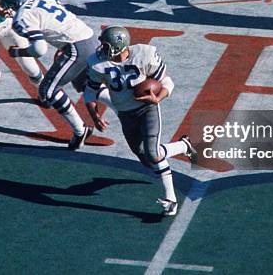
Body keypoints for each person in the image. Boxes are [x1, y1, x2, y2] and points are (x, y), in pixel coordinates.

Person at [83, 26, 197, 216]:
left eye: (105, 45)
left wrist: (158, 98)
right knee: (145, 158)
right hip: (124, 112)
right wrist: (94, 115)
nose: (101, 49)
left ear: (119, 47)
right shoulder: (97, 63)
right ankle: (185, 145)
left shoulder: (144, 54)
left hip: (147, 108)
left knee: (153, 154)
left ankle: (171, 199)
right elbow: (89, 92)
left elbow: (168, 82)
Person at [0, 0, 100, 149]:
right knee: (85, 84)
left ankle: (80, 130)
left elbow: (40, 49)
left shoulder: (21, 17)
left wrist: (18, 52)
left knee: (47, 91)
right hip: (90, 37)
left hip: (77, 47)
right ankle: (126, 111)